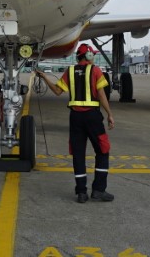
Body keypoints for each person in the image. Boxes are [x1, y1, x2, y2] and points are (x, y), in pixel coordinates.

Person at [36, 43, 116, 203]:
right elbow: (101, 94)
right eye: (91, 55)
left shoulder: (70, 71)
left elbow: (58, 91)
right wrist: (109, 114)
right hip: (93, 117)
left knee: (78, 154)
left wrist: (45, 77)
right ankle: (99, 190)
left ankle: (81, 193)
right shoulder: (96, 70)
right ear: (88, 56)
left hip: (75, 118)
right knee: (102, 150)